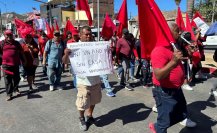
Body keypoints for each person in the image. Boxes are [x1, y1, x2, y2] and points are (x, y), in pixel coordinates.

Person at [149, 22, 196, 133]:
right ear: (167, 32)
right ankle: (158, 128)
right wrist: (174, 62)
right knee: (163, 122)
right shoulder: (158, 50)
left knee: (182, 113)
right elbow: (159, 75)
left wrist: (186, 57)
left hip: (176, 88)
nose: (180, 32)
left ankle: (158, 126)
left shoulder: (172, 46)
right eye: (177, 30)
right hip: (164, 92)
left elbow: (176, 61)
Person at [63, 26, 102, 131]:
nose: (89, 36)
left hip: (96, 79)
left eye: (90, 34)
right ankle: (81, 118)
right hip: (82, 81)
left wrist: (107, 51)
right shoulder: (74, 47)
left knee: (94, 100)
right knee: (82, 103)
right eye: (86, 34)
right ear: (80, 35)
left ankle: (89, 116)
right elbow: (65, 62)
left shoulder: (97, 46)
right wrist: (66, 54)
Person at [0, 30, 26, 101]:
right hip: (6, 65)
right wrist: (3, 58)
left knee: (17, 78)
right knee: (7, 80)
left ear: (12, 35)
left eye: (10, 35)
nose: (9, 36)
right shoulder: (2, 43)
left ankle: (15, 89)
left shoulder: (16, 43)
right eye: (7, 35)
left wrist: (24, 60)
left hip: (15, 64)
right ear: (5, 36)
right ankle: (9, 94)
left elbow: (21, 52)